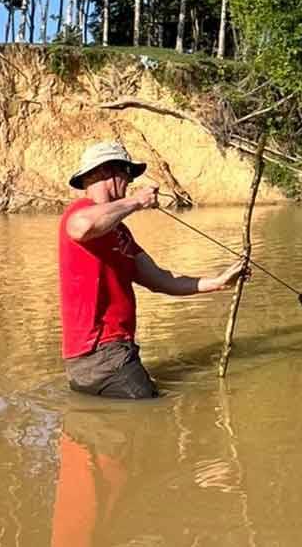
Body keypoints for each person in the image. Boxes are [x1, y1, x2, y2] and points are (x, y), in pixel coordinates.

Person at [59, 140, 248, 399]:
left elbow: (159, 279)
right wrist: (136, 202)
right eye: (126, 173)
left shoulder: (121, 233)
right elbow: (80, 227)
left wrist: (218, 282)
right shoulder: (80, 211)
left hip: (113, 354)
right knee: (154, 414)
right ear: (106, 172)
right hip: (100, 355)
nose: (129, 181)